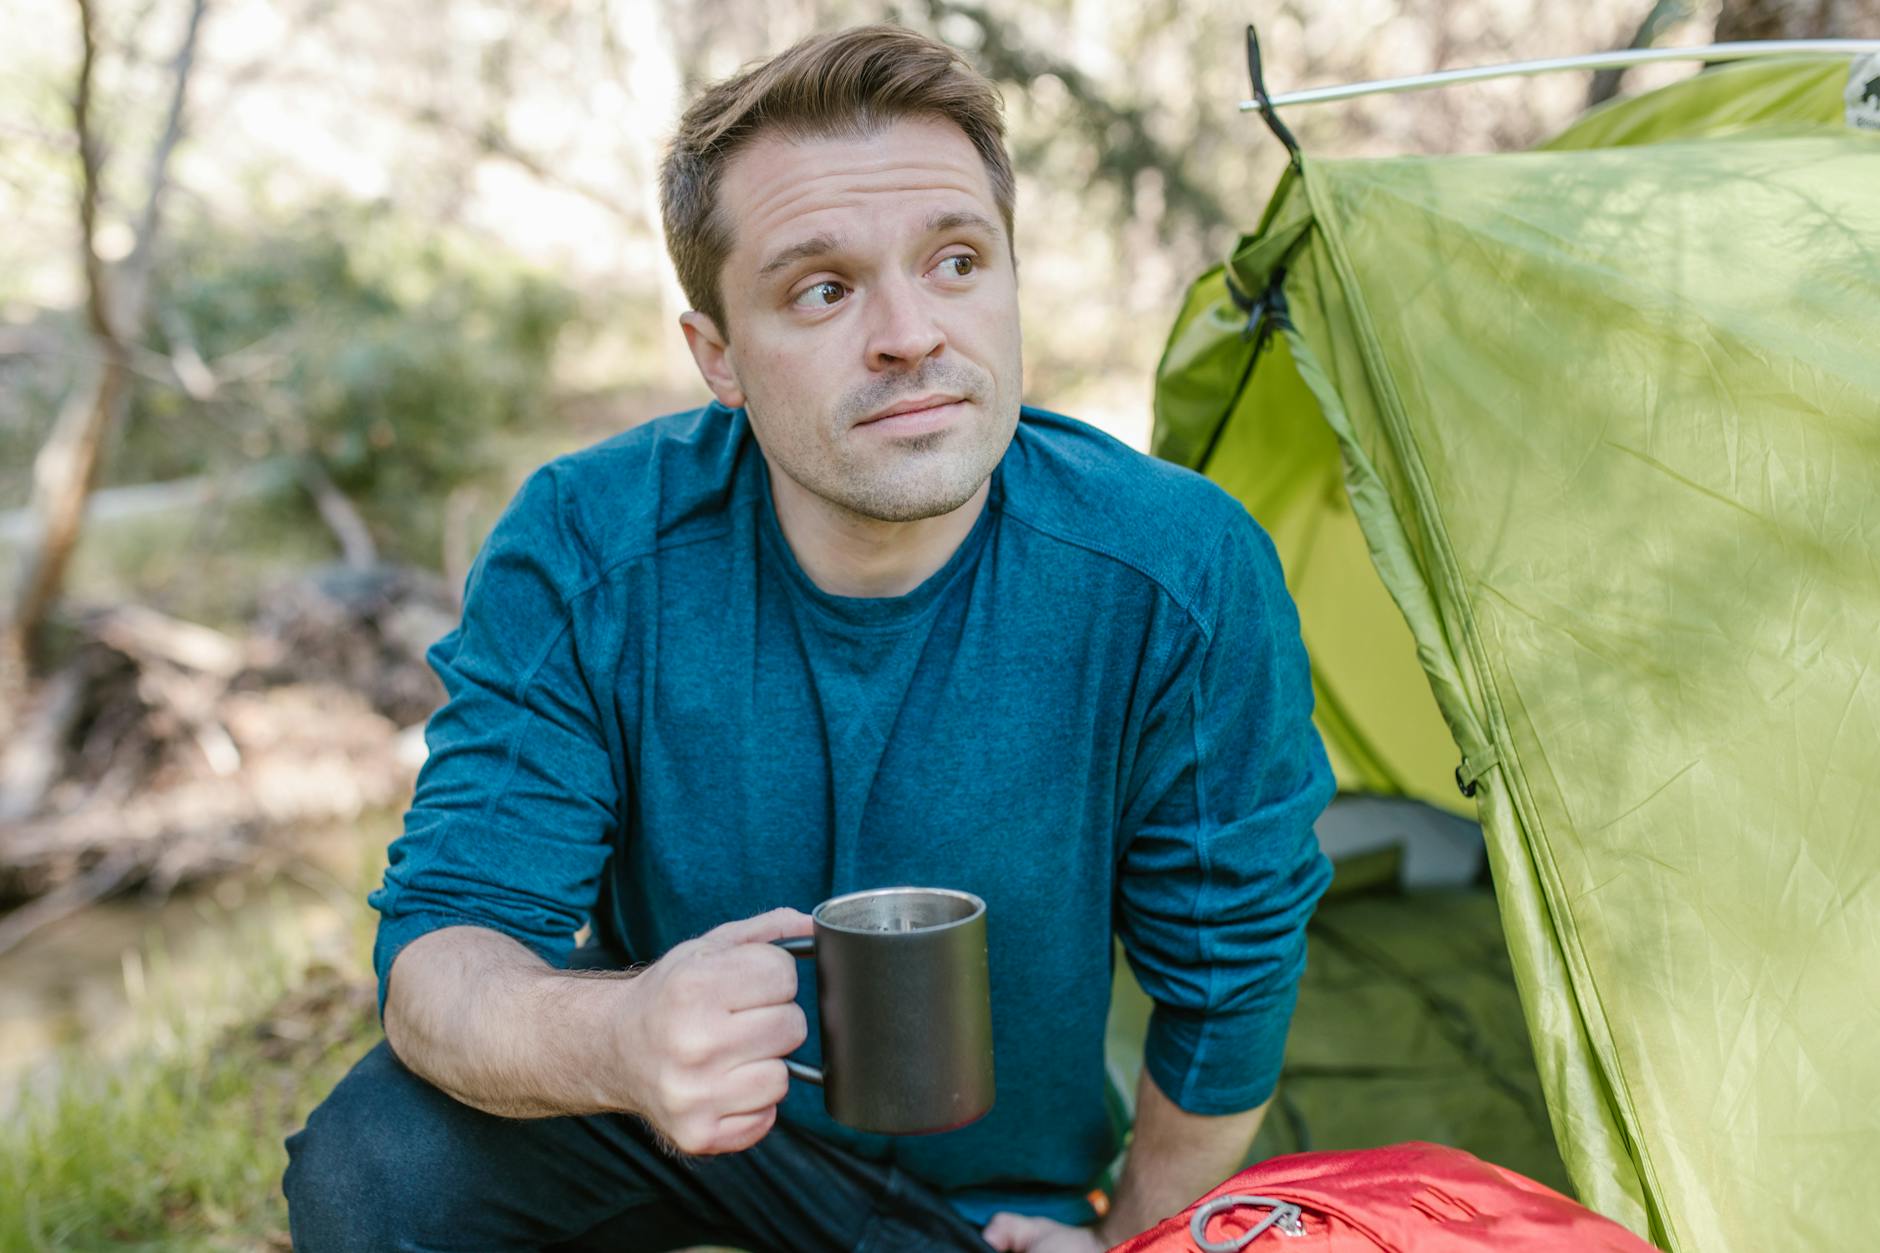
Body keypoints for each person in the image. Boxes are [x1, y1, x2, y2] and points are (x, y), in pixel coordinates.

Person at [282, 23, 1333, 1253]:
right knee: (375, 1168)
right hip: (675, 1123)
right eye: (823, 288)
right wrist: (617, 1037)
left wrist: (1133, 1237)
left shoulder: (1176, 567)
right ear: (716, 354)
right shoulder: (586, 542)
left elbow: (1228, 972)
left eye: (954, 261)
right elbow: (442, 955)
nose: (909, 333)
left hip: (993, 1208)